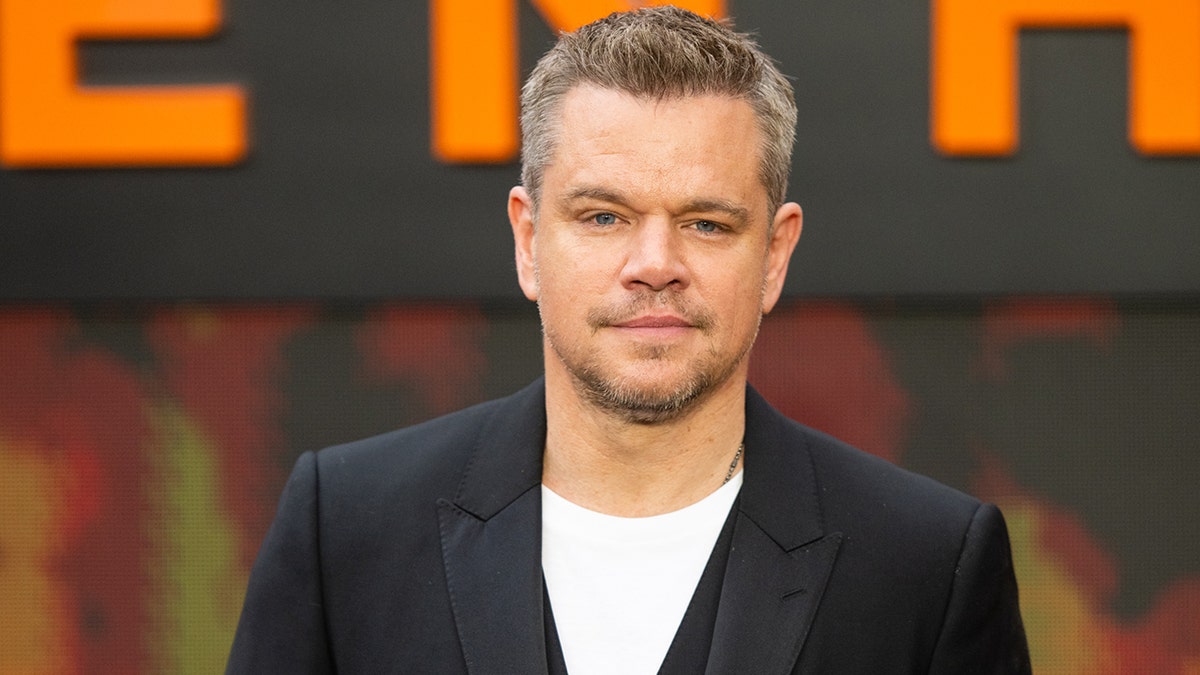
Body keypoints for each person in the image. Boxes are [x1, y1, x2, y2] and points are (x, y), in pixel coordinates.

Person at [226, 6, 1030, 673]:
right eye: (603, 216)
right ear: (527, 238)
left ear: (776, 254)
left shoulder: (928, 565)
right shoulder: (348, 529)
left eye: (706, 223)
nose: (655, 265)